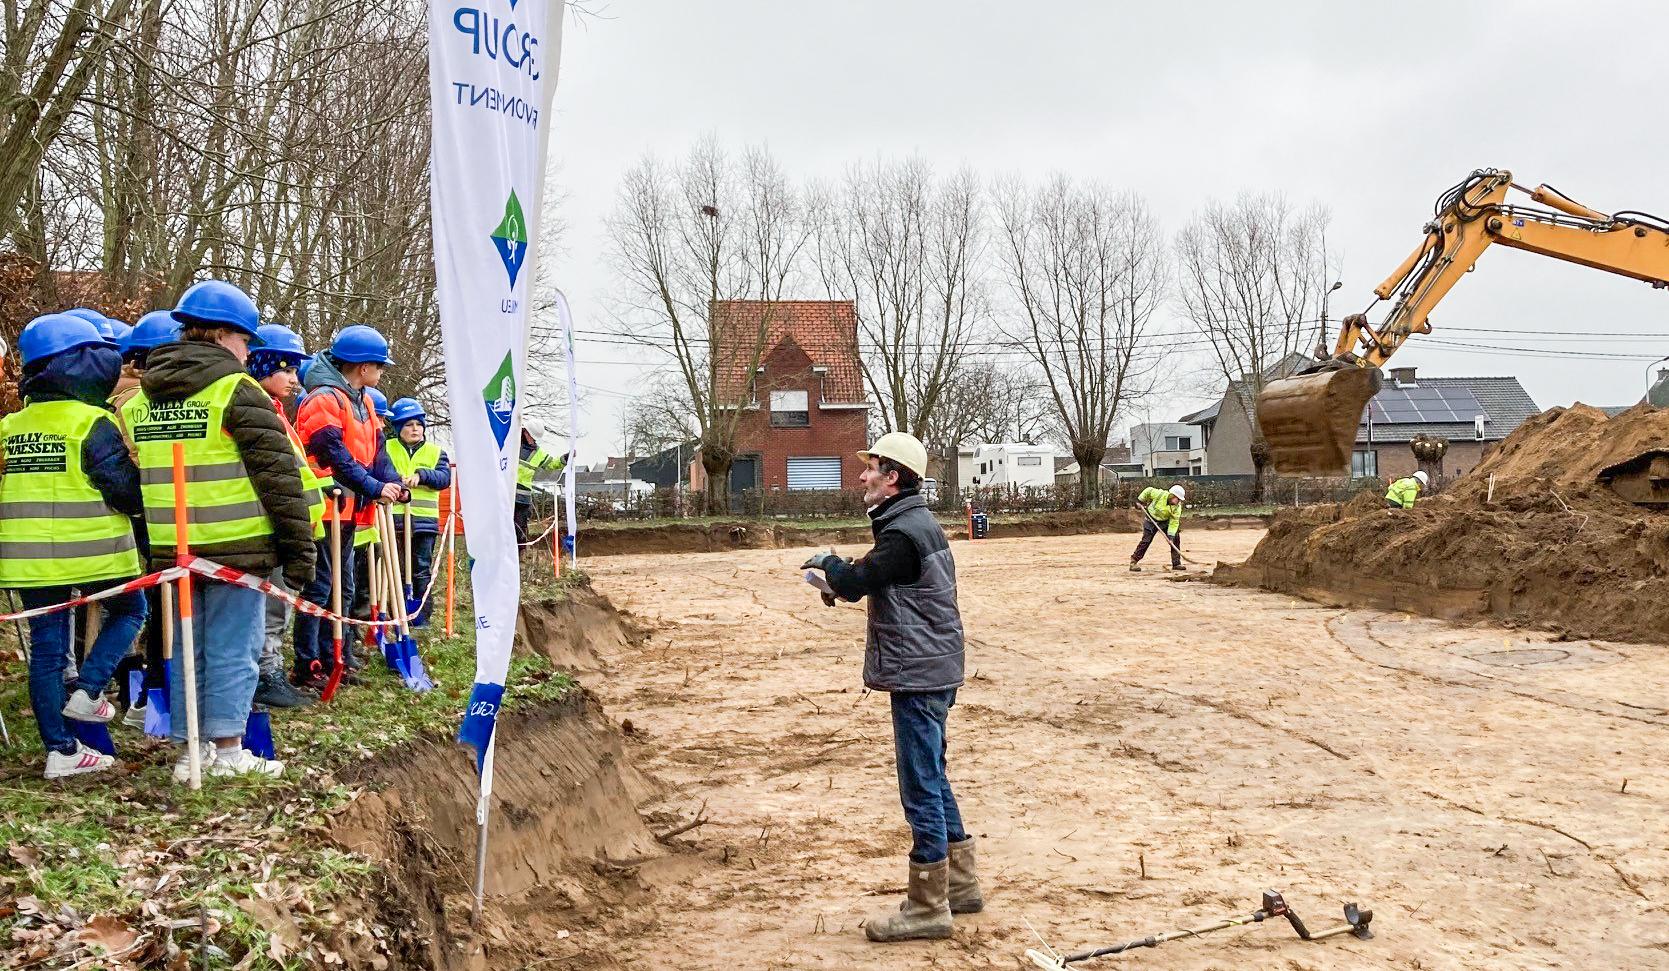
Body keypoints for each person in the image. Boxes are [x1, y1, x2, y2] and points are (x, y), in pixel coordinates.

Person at [122, 280, 315, 780]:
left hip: (176, 546)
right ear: (225, 336)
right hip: (238, 547)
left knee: (189, 648)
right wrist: (300, 554)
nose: (249, 351)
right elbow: (279, 479)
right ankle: (228, 749)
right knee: (234, 647)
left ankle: (191, 751)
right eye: (246, 340)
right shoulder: (236, 391)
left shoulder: (143, 399)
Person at [802, 432, 978, 943]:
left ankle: (928, 908)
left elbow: (862, 579)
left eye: (871, 467)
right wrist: (842, 580)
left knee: (919, 782)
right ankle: (960, 887)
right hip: (934, 667)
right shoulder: (914, 525)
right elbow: (879, 582)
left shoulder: (903, 533)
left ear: (893, 477)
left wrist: (829, 566)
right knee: (934, 775)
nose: (862, 475)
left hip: (919, 674)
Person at [0, 314, 149, 779]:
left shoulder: (10, 426)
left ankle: (61, 750)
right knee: (130, 612)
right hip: (94, 553)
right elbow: (126, 493)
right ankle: (88, 690)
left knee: (46, 653)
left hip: (27, 560)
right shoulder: (92, 423)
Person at [293, 325, 406, 690]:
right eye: (380, 366)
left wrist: (392, 484)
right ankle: (308, 661)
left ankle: (335, 654)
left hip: (351, 509)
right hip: (326, 506)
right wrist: (373, 486)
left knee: (342, 585)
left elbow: (378, 451)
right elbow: (333, 454)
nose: (381, 372)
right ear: (362, 367)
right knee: (320, 585)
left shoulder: (365, 401)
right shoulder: (323, 400)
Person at [109, 310, 180, 730]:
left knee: (160, 606)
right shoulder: (139, 406)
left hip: (156, 514)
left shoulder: (131, 405)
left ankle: (151, 693)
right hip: (160, 517)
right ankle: (153, 694)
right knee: (160, 605)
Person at [246, 323, 320, 708]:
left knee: (280, 602)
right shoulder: (257, 410)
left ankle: (270, 669)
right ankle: (266, 672)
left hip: (290, 522)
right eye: (286, 370)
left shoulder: (275, 410)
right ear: (261, 366)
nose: (295, 380)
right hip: (272, 523)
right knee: (272, 603)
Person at [386, 398, 451, 626]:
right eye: (408, 424)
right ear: (398, 428)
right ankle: (396, 614)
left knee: (421, 569)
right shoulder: (386, 448)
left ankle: (421, 618)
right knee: (394, 569)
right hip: (392, 520)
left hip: (424, 522)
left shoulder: (436, 452)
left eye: (418, 424)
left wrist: (422, 475)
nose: (415, 429)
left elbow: (444, 479)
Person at [515, 418, 567, 544]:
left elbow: (552, 465)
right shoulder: (512, 444)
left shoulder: (538, 453)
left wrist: (564, 459)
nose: (533, 440)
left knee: (520, 529)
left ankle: (520, 555)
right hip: (506, 495)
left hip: (522, 499)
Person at [1129, 484, 1186, 572]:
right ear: (1172, 496)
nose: (1178, 501)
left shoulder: (1177, 507)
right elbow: (1148, 490)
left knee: (1175, 539)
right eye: (1178, 499)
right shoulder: (1159, 494)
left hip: (1165, 522)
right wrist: (1140, 500)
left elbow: (1174, 522)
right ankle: (1134, 561)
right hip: (1150, 520)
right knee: (1146, 541)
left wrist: (1170, 536)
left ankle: (1176, 563)